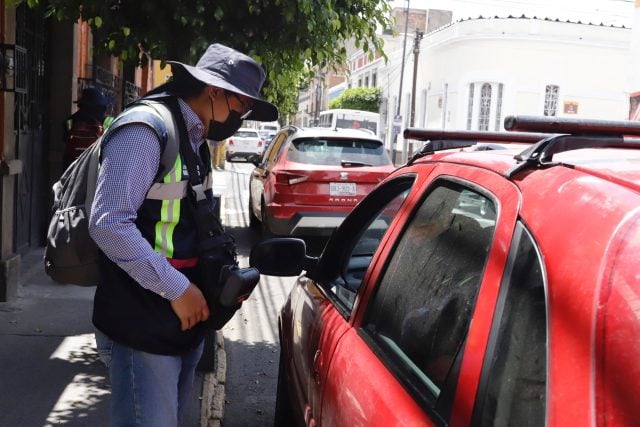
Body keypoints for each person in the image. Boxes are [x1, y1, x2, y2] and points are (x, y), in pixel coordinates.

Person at [88, 43, 278, 426]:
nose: (244, 116)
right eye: (242, 105)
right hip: (142, 316)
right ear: (214, 90)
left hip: (179, 317)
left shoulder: (194, 136)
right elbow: (108, 223)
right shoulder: (146, 129)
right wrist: (178, 289)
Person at [63, 87, 113, 168]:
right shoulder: (109, 122)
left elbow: (65, 145)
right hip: (97, 172)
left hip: (73, 171)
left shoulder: (70, 121)